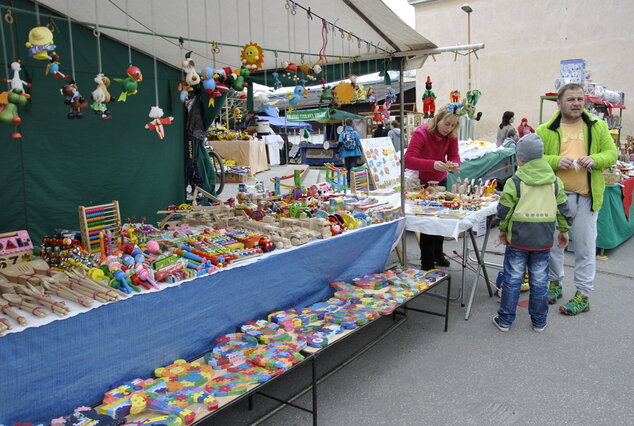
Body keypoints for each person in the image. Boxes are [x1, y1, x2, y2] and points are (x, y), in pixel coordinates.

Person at [536, 82, 617, 315]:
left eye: (580, 99)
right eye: (571, 99)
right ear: (559, 103)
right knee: (553, 245)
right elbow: (533, 158)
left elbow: (611, 154)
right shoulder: (545, 129)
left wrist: (595, 159)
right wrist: (553, 161)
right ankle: (554, 283)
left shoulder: (597, 126)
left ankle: (583, 293)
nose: (576, 103)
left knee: (584, 247)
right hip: (554, 197)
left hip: (586, 197)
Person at [493, 134, 572, 332]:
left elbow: (504, 209)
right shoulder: (555, 182)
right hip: (543, 239)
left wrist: (502, 228)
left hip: (518, 238)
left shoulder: (515, 181)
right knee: (540, 281)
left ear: (521, 159)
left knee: (512, 280)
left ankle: (505, 320)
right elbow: (563, 209)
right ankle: (539, 321)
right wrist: (564, 230)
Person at [404, 105, 461, 270]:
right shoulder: (421, 133)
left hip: (440, 181)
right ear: (438, 119)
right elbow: (408, 160)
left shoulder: (450, 136)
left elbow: (454, 155)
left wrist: (454, 164)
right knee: (428, 223)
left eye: (453, 125)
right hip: (420, 183)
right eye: (446, 124)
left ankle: (438, 254)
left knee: (440, 219)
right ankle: (427, 262)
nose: (448, 128)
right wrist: (433, 164)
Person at [337, 118, 362, 185]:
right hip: (355, 152)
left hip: (345, 153)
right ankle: (354, 181)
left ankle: (348, 182)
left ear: (345, 124)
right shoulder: (355, 133)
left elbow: (340, 143)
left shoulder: (343, 133)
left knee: (347, 167)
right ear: (352, 124)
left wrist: (337, 152)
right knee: (353, 167)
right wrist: (360, 153)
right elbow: (358, 143)